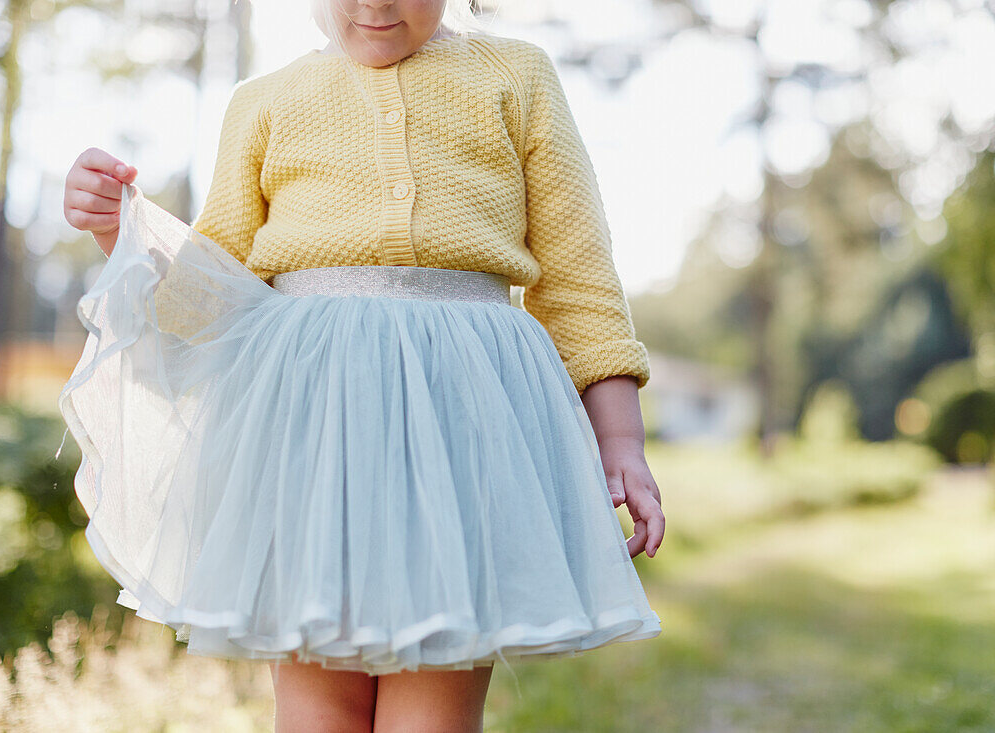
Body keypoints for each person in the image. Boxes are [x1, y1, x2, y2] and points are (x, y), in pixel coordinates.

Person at [58, 0, 665, 730]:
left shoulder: (517, 77)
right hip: (310, 445)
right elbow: (213, 302)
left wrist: (620, 438)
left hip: (459, 438)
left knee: (433, 714)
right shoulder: (264, 102)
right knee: (319, 712)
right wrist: (120, 234)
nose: (375, 4)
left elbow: (578, 281)